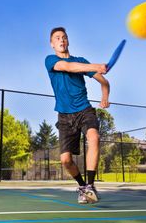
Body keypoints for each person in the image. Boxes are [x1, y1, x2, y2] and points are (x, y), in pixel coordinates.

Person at [45, 27, 110, 204]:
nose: (61, 40)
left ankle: (90, 186)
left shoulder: (81, 61)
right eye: (57, 38)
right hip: (64, 116)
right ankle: (82, 186)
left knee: (94, 137)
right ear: (52, 44)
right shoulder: (50, 60)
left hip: (84, 110)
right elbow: (68, 67)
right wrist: (96, 66)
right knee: (66, 160)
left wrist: (105, 97)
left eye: (64, 37)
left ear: (68, 41)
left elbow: (104, 82)